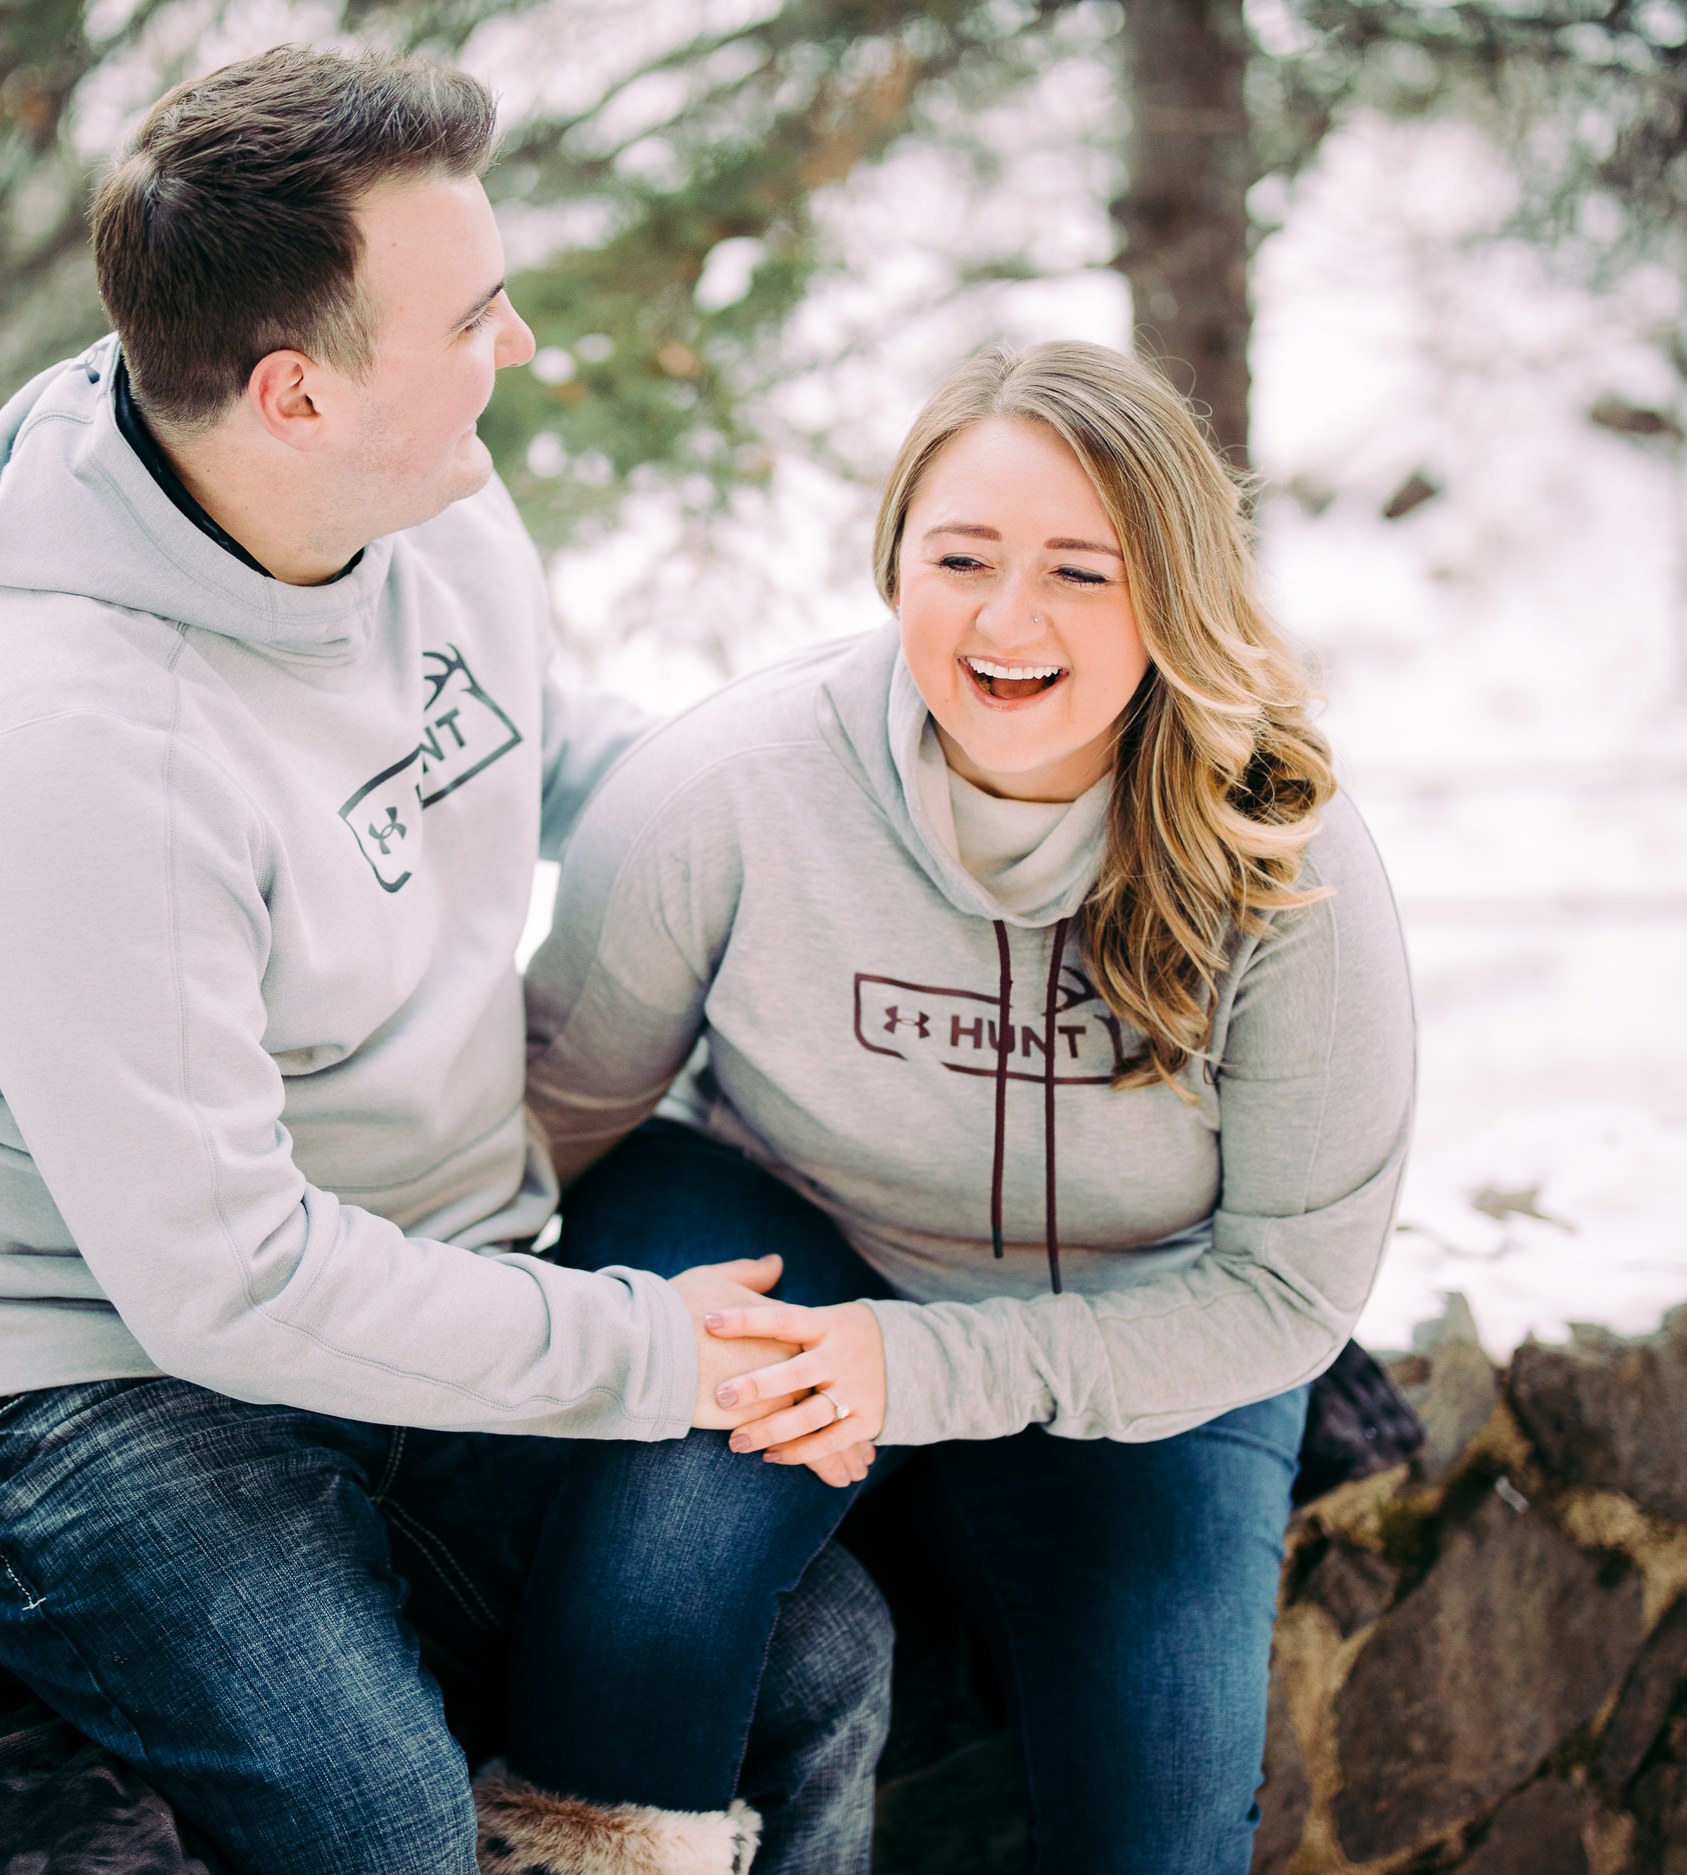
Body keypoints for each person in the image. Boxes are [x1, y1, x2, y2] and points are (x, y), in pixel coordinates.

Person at [0, 46, 890, 1875]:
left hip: (414, 1276)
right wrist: (644, 1349)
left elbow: (547, 753)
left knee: (819, 1667)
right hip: (88, 1384)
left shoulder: (425, 509)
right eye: (475, 313)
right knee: (385, 1824)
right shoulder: (81, 752)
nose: (526, 344)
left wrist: (843, 830)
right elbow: (223, 1288)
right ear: (298, 395)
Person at [519, 340, 1417, 1873]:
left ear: (1177, 592)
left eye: (1083, 570)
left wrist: (921, 1369)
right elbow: (544, 1127)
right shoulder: (724, 789)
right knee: (663, 1546)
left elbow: (1286, 1293)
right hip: (786, 1223)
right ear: (893, 568)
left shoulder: (1287, 867)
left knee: (1162, 1829)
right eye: (962, 558)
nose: (1010, 622)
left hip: (1140, 1341)